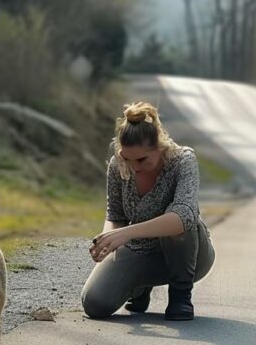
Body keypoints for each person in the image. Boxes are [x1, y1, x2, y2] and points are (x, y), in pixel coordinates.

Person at [80, 102, 215, 321]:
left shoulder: (183, 161)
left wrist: (127, 233)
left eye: (142, 159)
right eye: (127, 158)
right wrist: (108, 241)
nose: (134, 166)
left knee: (179, 224)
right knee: (95, 304)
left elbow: (184, 215)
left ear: (160, 147)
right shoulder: (117, 165)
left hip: (190, 254)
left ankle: (181, 295)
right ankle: (140, 288)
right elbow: (115, 215)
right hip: (140, 250)